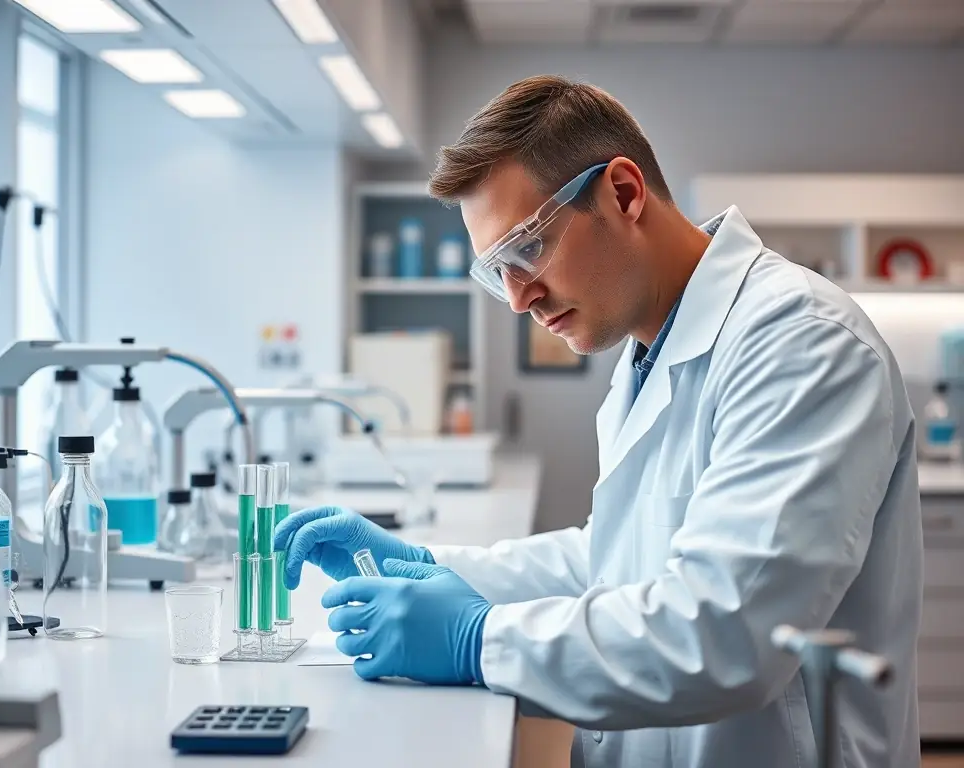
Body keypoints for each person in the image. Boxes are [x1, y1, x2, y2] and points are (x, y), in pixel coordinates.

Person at [275, 75, 922, 768]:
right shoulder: (649, 352)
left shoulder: (802, 342)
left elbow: (728, 633)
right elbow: (616, 558)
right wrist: (432, 567)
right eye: (497, 273)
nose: (519, 299)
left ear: (622, 193)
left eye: (527, 249)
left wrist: (477, 638)